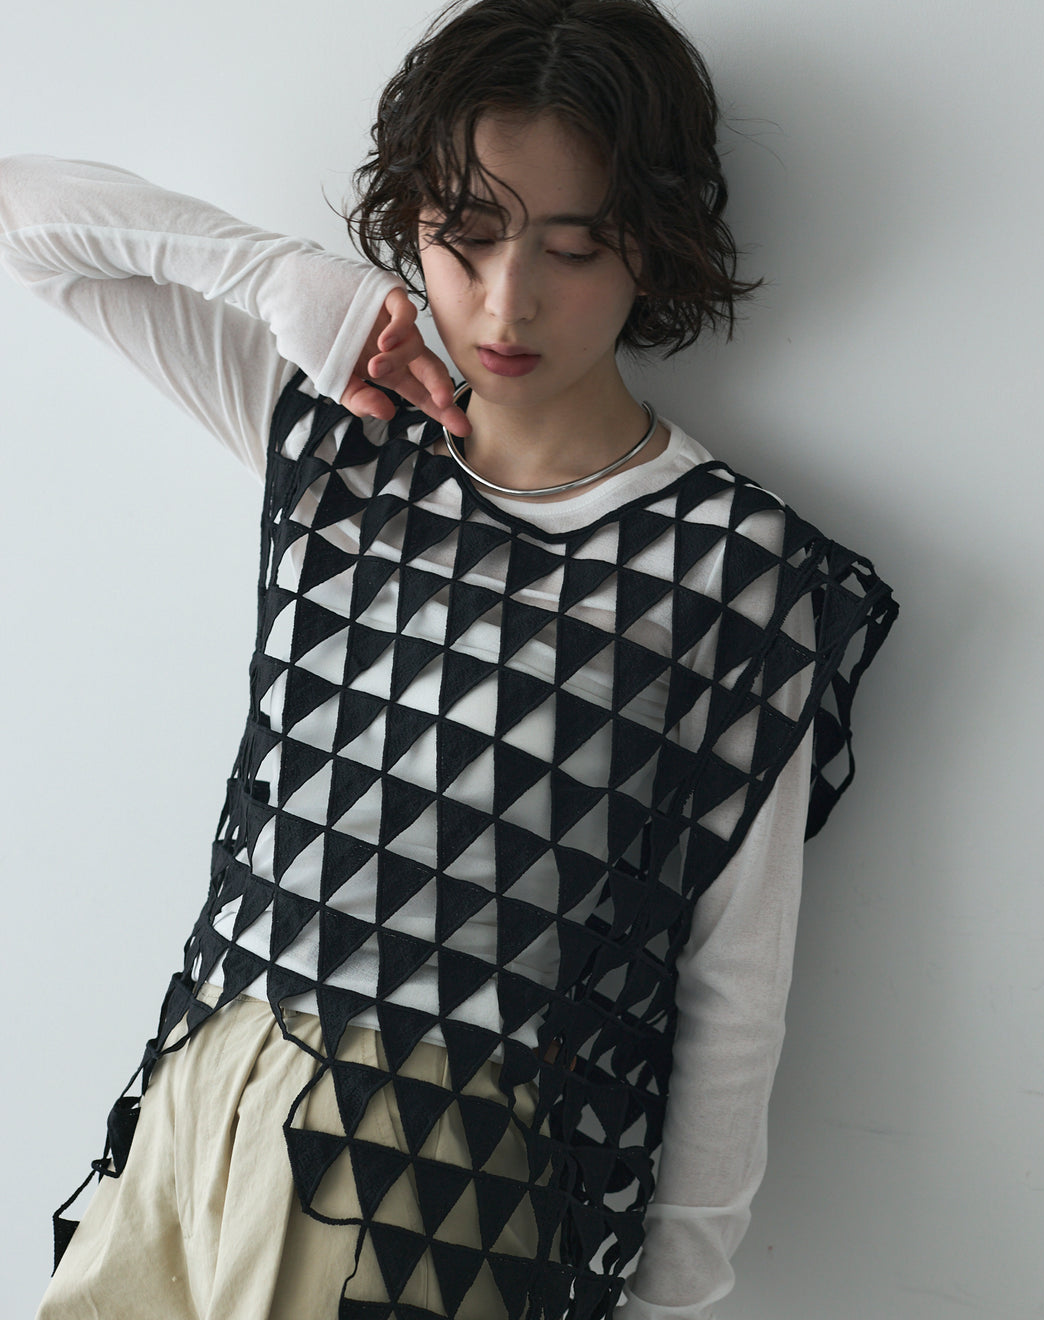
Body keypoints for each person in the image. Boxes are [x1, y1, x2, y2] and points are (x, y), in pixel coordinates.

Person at [0, 1, 898, 1318]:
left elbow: (731, 979)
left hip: (422, 1156)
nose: (506, 299)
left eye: (573, 247)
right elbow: (28, 217)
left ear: (651, 243)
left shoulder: (731, 567)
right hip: (196, 1090)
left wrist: (674, 1292)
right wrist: (285, 280)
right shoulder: (340, 435)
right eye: (466, 234)